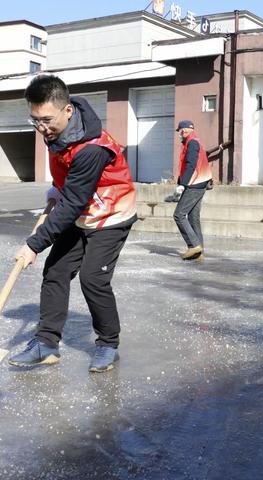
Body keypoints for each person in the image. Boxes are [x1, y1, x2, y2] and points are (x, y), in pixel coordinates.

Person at [8, 75, 137, 372]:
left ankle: (108, 343)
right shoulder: (57, 132)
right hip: (81, 211)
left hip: (111, 215)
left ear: (67, 111)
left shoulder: (92, 147)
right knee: (56, 270)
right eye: (35, 120)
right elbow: (67, 176)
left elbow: (71, 205)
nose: (42, 127)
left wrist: (33, 244)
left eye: (47, 120)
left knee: (92, 278)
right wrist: (57, 187)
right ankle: (46, 343)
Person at [173, 120, 212, 260]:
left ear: (184, 131)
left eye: (179, 132)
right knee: (193, 217)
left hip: (194, 183)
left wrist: (182, 185)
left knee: (179, 215)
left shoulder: (192, 143)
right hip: (201, 182)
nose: (179, 135)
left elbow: (190, 165)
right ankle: (199, 252)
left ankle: (194, 246)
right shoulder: (194, 141)